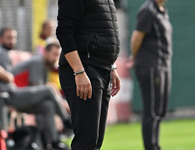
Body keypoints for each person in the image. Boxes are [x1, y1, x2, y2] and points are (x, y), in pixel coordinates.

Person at [56, 0, 121, 150]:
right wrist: (79, 71)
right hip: (85, 68)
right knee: (86, 142)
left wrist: (112, 66)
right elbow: (64, 31)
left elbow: (101, 28)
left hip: (101, 68)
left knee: (95, 141)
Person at [0, 27, 69, 150]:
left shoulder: (7, 54)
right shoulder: (37, 61)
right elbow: (35, 87)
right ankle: (67, 121)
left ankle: (54, 142)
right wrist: (62, 103)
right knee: (49, 90)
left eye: (57, 55)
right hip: (11, 95)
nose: (55, 58)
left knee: (47, 105)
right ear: (45, 52)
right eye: (54, 54)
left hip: (14, 94)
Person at [130, 0, 173, 150]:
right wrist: (134, 58)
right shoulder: (147, 10)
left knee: (160, 111)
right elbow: (136, 37)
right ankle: (151, 147)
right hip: (151, 66)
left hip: (164, 65)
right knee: (152, 111)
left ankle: (155, 145)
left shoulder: (162, 10)